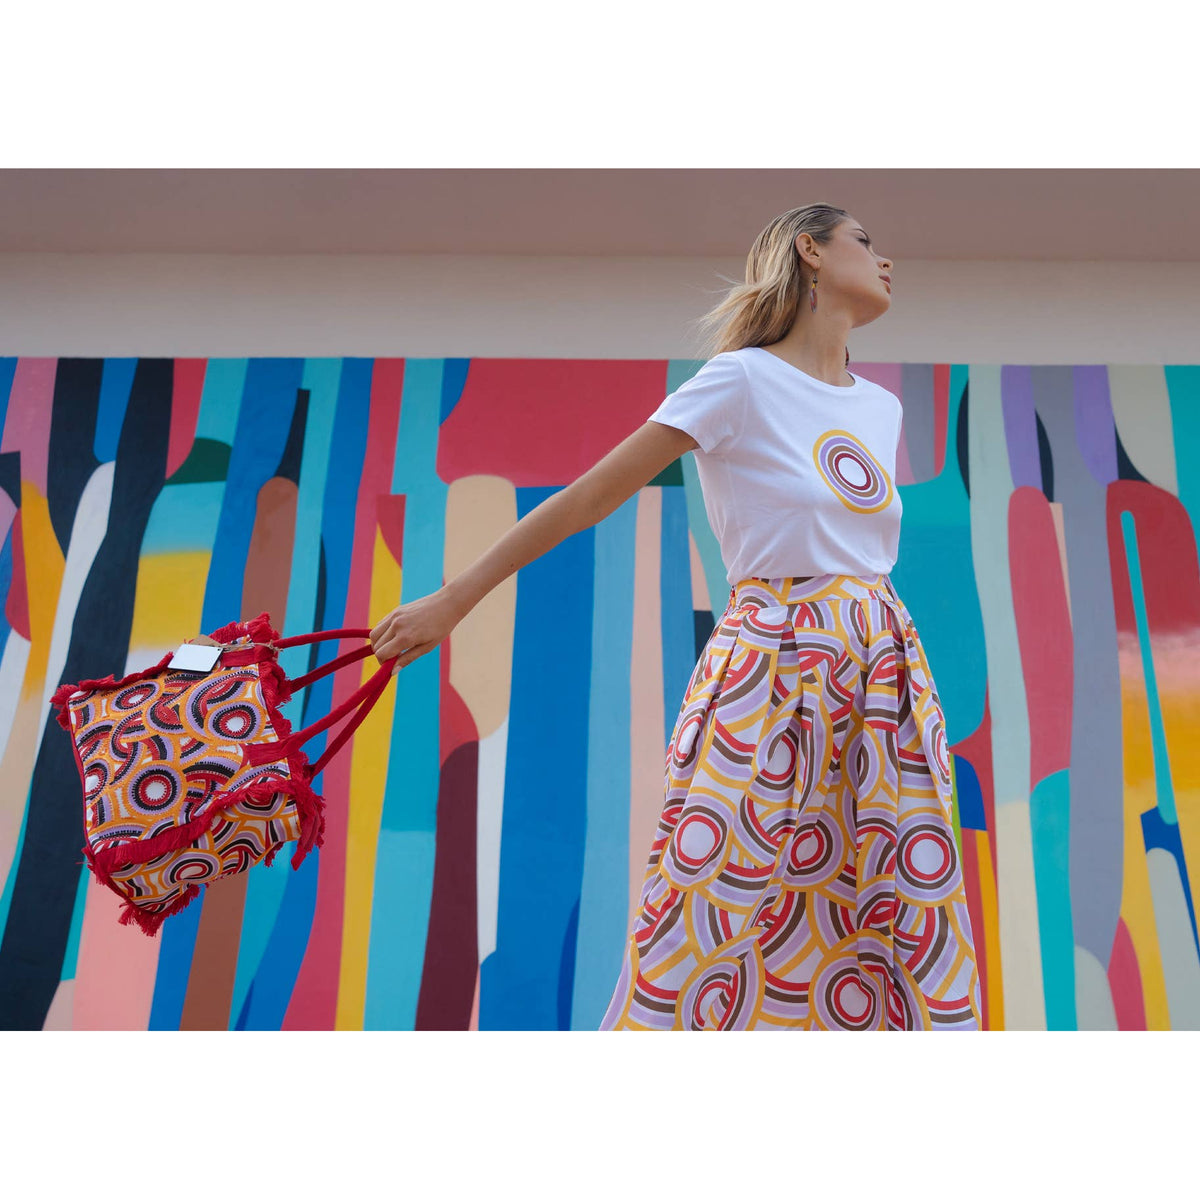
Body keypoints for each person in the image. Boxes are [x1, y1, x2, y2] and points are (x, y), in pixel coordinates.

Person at [369, 202, 982, 1031]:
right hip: (770, 661)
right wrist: (453, 600)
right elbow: (589, 496)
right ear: (809, 249)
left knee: (893, 899)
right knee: (707, 893)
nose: (887, 261)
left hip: (881, 674)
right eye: (866, 242)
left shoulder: (879, 409)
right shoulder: (740, 379)